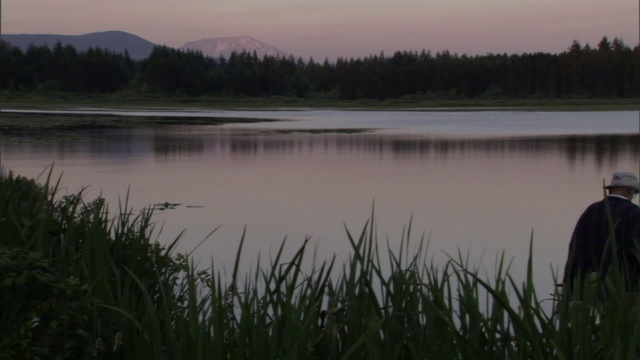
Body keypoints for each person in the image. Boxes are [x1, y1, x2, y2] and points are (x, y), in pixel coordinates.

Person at [563, 172, 640, 291]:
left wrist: (569, 282)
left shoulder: (591, 210)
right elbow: (634, 249)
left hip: (585, 283)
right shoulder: (634, 213)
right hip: (620, 286)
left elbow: (575, 247)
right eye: (635, 193)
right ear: (630, 190)